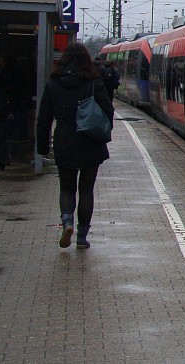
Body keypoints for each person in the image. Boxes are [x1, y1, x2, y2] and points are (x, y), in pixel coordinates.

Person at [36, 43, 114, 249]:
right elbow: (108, 109)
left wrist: (42, 147)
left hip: (65, 140)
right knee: (86, 189)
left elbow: (43, 118)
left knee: (67, 188)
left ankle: (67, 222)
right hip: (90, 141)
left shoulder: (53, 83)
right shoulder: (93, 81)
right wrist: (105, 131)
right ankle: (82, 237)